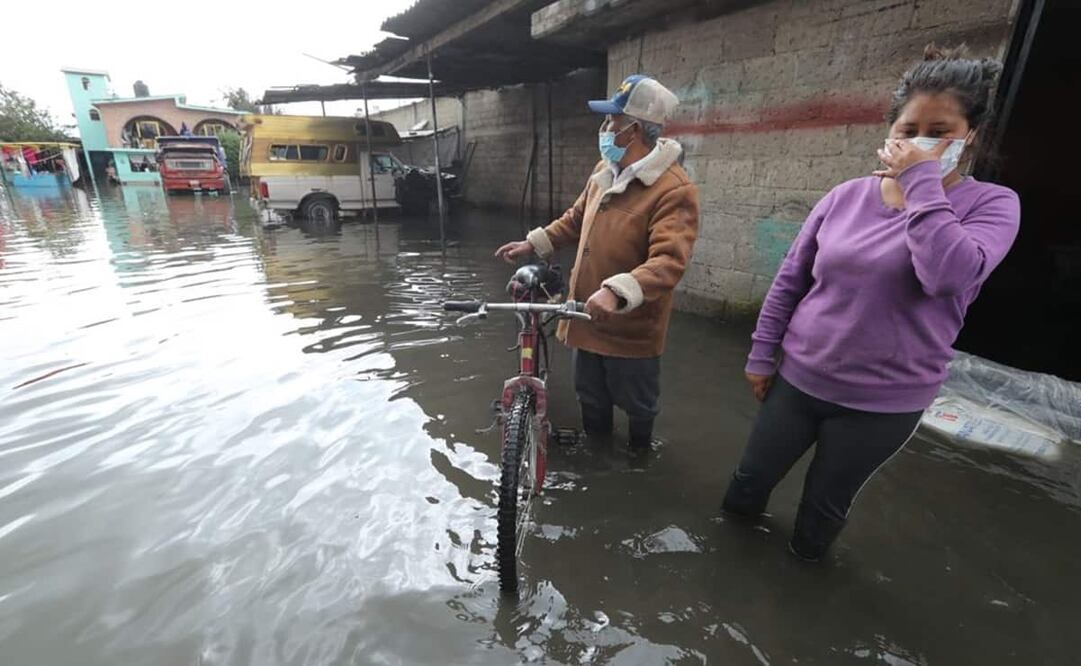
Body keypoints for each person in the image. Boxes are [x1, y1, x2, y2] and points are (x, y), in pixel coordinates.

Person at [721, 45, 1021, 561]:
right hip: (798, 381)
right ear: (891, 132)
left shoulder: (993, 205)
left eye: (940, 130)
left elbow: (947, 276)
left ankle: (798, 588)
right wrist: (761, 354)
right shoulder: (846, 196)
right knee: (748, 484)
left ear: (970, 133)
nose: (921, 142)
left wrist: (921, 181)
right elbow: (791, 281)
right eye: (909, 130)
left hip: (883, 404)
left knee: (821, 513)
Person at [495, 75, 699, 453]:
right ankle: (598, 457)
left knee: (638, 407)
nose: (605, 129)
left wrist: (617, 292)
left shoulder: (673, 188)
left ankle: (638, 462)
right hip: (585, 316)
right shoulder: (603, 171)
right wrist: (534, 243)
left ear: (634, 130)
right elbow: (575, 219)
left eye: (611, 121)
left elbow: (669, 261)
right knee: (590, 400)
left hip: (630, 328)